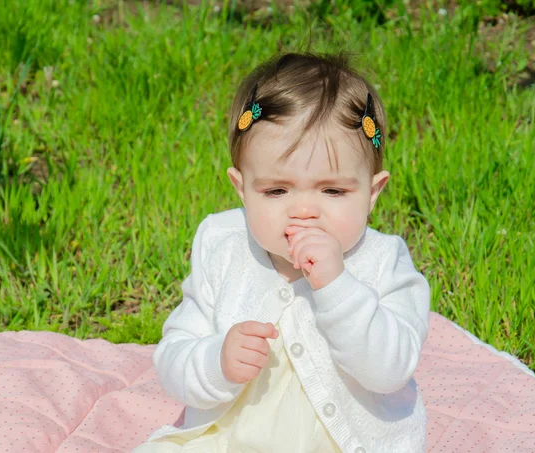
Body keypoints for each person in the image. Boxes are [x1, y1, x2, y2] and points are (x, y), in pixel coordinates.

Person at [132, 52, 431, 453]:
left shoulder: (382, 261)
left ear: (372, 193)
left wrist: (338, 287)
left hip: (344, 442)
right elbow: (173, 356)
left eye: (333, 191)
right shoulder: (224, 244)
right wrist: (215, 362)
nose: (304, 210)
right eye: (276, 191)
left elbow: (390, 370)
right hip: (230, 437)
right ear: (241, 189)